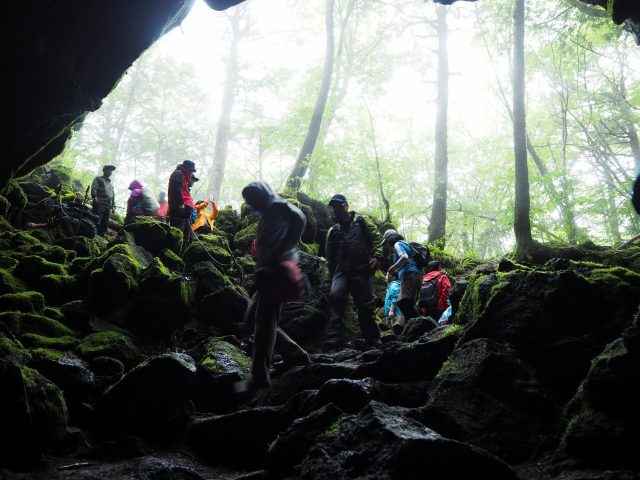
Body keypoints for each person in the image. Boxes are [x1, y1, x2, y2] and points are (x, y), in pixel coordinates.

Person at [239, 181, 310, 390]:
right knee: (254, 319)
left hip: (277, 271)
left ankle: (259, 376)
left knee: (264, 321)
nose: (252, 203)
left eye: (253, 198)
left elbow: (300, 218)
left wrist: (285, 247)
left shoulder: (278, 206)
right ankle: (296, 355)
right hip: (267, 273)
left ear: (262, 195)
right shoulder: (266, 214)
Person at [325, 194, 382, 348]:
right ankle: (333, 336)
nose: (336, 209)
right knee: (335, 296)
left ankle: (372, 339)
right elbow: (329, 255)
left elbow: (376, 237)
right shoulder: (333, 230)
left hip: (362, 269)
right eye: (334, 206)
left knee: (364, 305)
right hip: (341, 271)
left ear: (346, 205)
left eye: (339, 205)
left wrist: (376, 256)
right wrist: (331, 276)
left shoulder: (361, 221)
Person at [381, 229, 423, 333]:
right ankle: (415, 328)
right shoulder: (405, 244)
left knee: (404, 302)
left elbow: (404, 257)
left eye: (386, 243)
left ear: (390, 239)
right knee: (406, 302)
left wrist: (393, 267)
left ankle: (420, 328)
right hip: (415, 275)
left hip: (409, 274)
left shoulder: (397, 244)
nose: (387, 246)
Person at [26, 199, 98, 238]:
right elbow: (53, 224)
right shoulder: (61, 209)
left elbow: (52, 224)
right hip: (86, 229)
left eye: (48, 208)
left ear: (52, 206)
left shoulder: (62, 210)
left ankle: (71, 240)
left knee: (65, 219)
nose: (46, 211)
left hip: (90, 229)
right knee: (66, 219)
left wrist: (35, 225)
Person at [168, 160, 197, 245]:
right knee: (179, 231)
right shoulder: (178, 174)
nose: (191, 173)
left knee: (186, 233)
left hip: (185, 209)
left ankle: (184, 250)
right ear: (187, 169)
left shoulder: (183, 177)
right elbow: (176, 189)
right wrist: (181, 204)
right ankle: (176, 250)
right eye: (191, 171)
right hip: (179, 209)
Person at [90, 165, 116, 235]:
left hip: (108, 205)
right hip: (100, 202)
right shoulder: (98, 179)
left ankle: (100, 235)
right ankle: (91, 233)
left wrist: (113, 206)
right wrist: (94, 196)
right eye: (109, 170)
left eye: (111, 171)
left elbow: (113, 196)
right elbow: (94, 188)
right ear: (104, 170)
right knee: (96, 218)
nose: (110, 172)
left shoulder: (111, 185)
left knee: (105, 222)